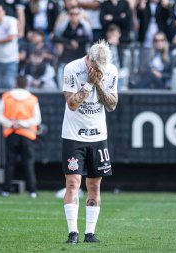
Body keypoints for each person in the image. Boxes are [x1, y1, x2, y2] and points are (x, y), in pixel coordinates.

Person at [61, 40, 118, 244]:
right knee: (73, 182)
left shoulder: (111, 71)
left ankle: (90, 233)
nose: (99, 70)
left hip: (98, 136)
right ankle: (72, 232)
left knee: (94, 186)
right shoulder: (72, 69)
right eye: (96, 67)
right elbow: (72, 104)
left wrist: (100, 84)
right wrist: (89, 84)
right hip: (73, 135)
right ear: (89, 60)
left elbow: (112, 105)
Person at [0, 76, 42, 198]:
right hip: (28, 134)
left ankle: (6, 190)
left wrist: (11, 123)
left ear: (15, 84)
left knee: (10, 163)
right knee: (29, 164)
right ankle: (32, 191)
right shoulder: (32, 98)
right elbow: (37, 119)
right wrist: (23, 123)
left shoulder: (7, 96)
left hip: (11, 133)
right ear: (27, 85)